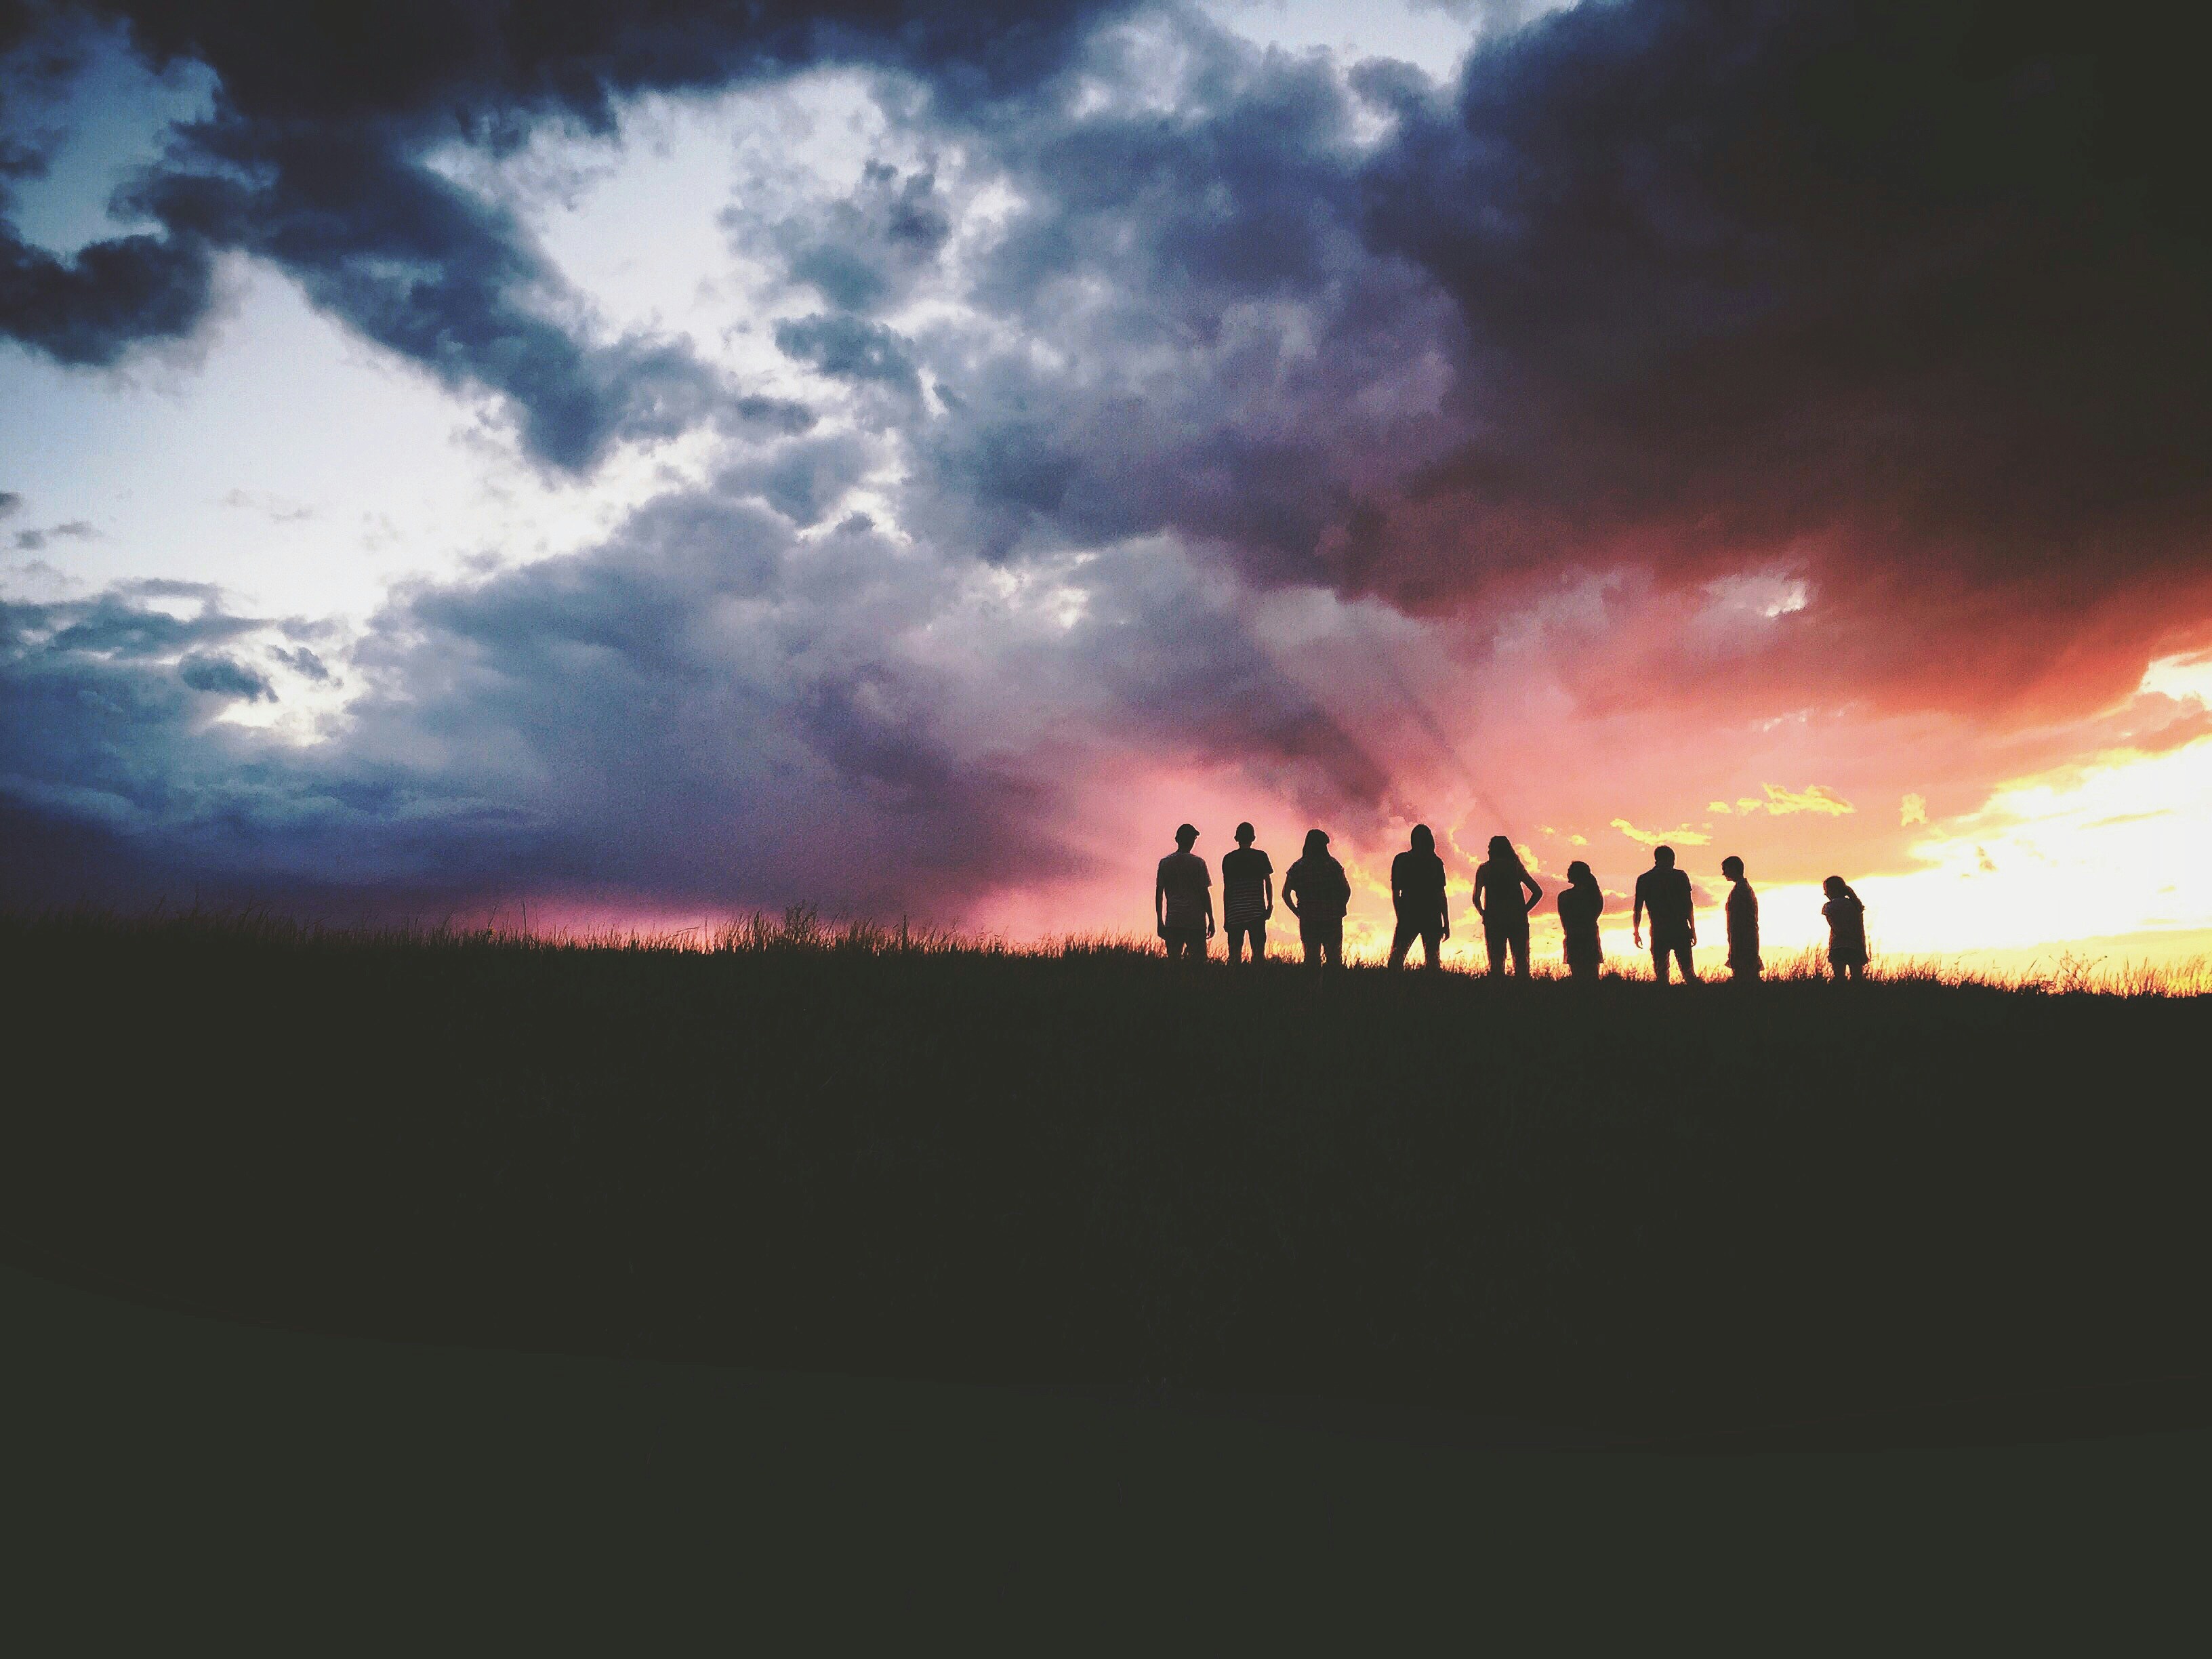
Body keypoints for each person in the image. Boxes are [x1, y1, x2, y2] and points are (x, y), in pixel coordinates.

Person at [1282, 828, 1351, 975]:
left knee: (1312, 961)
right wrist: (1339, 908)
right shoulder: (1333, 865)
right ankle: (1336, 992)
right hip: (1332, 920)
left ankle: (1313, 992)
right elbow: (1346, 890)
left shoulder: (1298, 867)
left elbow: (1285, 894)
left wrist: (1297, 912)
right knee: (1334, 961)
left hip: (1309, 920)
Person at [1473, 835, 1543, 977]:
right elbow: (1537, 892)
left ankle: (1499, 994)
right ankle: (1523, 993)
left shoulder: (1485, 869)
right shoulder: (1516, 867)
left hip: (1494, 921)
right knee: (1522, 964)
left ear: (1491, 850)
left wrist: (1483, 913)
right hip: (1517, 921)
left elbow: (1476, 897)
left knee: (1496, 964)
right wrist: (1524, 911)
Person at [1633, 845, 1698, 984]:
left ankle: (1664, 1001)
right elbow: (1688, 905)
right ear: (1669, 859)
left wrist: (1636, 931)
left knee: (1661, 975)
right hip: (1680, 928)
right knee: (1688, 973)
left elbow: (1638, 907)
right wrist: (1692, 929)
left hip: (1659, 930)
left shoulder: (1644, 879)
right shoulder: (1680, 876)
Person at [1387, 824, 1450, 968]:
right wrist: (1446, 923)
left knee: (1396, 960)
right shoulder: (1435, 863)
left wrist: (1400, 916)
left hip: (1410, 913)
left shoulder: (1401, 860)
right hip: (1431, 915)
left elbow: (1396, 892)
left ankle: (1391, 987)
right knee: (1433, 962)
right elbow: (1441, 895)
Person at [1154, 823, 1213, 962]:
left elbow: (1159, 895)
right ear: (1192, 841)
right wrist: (1211, 919)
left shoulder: (1165, 863)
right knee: (1198, 964)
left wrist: (1160, 922)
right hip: (1196, 921)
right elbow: (1205, 894)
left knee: (1174, 962)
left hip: (1174, 920)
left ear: (1177, 840)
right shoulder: (1199, 863)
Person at [1221, 822, 1274, 964]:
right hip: (1256, 911)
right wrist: (1270, 906)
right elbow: (1268, 883)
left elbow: (1227, 889)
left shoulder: (1228, 859)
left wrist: (1226, 916)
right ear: (1253, 838)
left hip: (1235, 912)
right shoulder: (1261, 856)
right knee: (1258, 954)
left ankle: (1235, 983)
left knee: (1234, 956)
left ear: (1236, 838)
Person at [1557, 860, 1604, 980]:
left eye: (1569, 871)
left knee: (1577, 977)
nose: (1567, 874)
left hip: (1574, 936)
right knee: (1593, 977)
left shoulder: (1564, 896)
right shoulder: (1595, 894)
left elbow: (1565, 920)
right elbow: (1595, 915)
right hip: (1590, 936)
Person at [1721, 855, 1761, 982]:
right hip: (1745, 938)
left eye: (1725, 869)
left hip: (1743, 939)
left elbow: (1737, 921)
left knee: (1744, 974)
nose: (1723, 873)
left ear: (1734, 869)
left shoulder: (1741, 890)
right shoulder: (1744, 889)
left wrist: (1734, 942)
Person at [1822, 876, 1868, 982]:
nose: (1825, 894)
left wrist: (1843, 934)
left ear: (1832, 890)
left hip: (1839, 945)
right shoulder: (1855, 905)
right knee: (1858, 980)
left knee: (1839, 979)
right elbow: (1860, 929)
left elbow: (1835, 926)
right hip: (1856, 945)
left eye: (1826, 890)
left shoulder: (1829, 907)